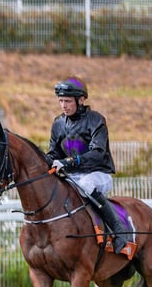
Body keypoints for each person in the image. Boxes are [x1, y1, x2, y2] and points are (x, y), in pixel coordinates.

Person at [46, 76, 130, 255]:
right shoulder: (58, 123)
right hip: (72, 177)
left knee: (85, 186)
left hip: (97, 174)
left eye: (67, 101)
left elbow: (98, 153)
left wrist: (69, 161)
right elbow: (53, 153)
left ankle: (119, 229)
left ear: (81, 100)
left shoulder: (96, 120)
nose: (63, 105)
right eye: (60, 101)